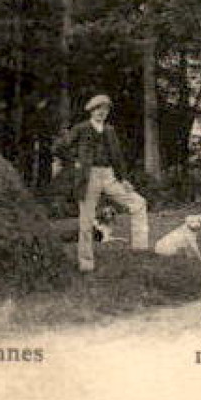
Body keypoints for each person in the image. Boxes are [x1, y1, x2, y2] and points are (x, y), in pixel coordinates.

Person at [55, 93, 150, 272]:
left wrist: (124, 179)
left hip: (109, 175)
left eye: (105, 109)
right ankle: (86, 264)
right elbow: (59, 147)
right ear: (91, 111)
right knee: (86, 221)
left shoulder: (110, 131)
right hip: (88, 177)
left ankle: (140, 250)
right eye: (98, 109)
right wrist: (74, 162)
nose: (102, 112)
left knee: (138, 203)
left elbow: (118, 158)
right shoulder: (81, 128)